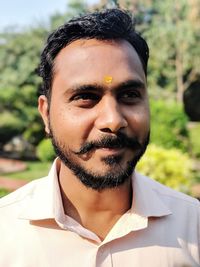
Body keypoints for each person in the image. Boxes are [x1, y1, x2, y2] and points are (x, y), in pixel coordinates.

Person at [0, 8, 199, 267]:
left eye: (129, 95)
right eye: (86, 97)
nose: (113, 120)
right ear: (46, 114)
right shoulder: (6, 232)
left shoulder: (192, 226)